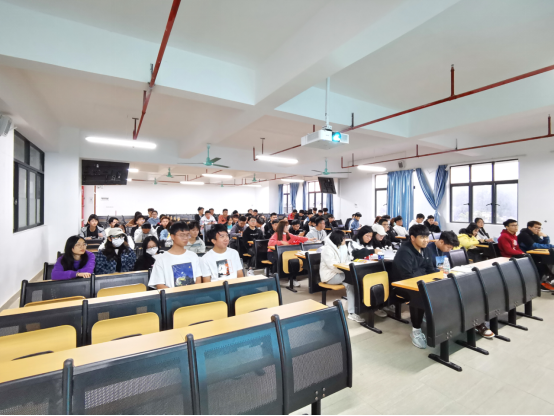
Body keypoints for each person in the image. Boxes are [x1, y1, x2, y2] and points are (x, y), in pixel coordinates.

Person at [391, 224, 436, 349]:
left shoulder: (426, 249)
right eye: (422, 237)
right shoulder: (404, 252)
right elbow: (407, 276)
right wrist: (424, 280)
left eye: (427, 237)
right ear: (412, 237)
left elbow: (430, 269)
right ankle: (416, 330)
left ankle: (430, 316)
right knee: (419, 296)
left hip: (421, 282)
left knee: (439, 287)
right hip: (402, 285)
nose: (426, 240)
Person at [148, 222, 206, 288]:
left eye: (187, 235)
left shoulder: (193, 256)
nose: (186, 238)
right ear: (172, 236)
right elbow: (159, 285)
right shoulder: (161, 259)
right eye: (182, 235)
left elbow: (198, 278)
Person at [319, 231, 360, 322]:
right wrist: (347, 270)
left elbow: (347, 260)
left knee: (353, 282)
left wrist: (349, 266)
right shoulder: (327, 249)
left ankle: (355, 309)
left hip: (341, 273)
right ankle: (352, 312)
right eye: (343, 238)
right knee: (352, 281)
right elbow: (332, 266)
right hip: (330, 276)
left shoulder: (342, 247)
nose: (345, 239)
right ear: (338, 239)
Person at [268, 220, 314, 286]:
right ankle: (274, 278)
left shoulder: (288, 234)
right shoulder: (276, 234)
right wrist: (281, 242)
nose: (287, 227)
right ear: (281, 227)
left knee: (293, 261)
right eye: (286, 226)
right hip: (272, 253)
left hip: (285, 254)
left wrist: (309, 239)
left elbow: (298, 237)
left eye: (287, 226)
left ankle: (292, 279)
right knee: (278, 261)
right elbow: (270, 243)